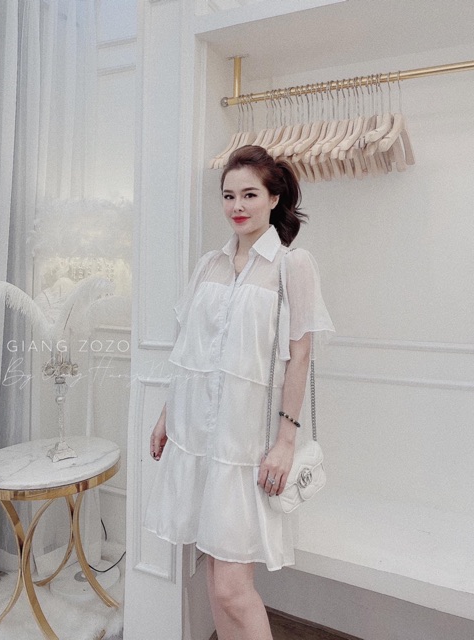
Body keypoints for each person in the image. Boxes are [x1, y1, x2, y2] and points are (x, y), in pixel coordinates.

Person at [145, 145, 334, 639]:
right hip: (199, 438)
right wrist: (166, 416)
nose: (237, 206)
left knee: (232, 587)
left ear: (274, 198)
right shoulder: (210, 264)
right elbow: (191, 353)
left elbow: (300, 356)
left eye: (249, 194)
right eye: (228, 195)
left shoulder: (293, 266)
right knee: (215, 576)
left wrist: (285, 443)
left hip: (247, 446)